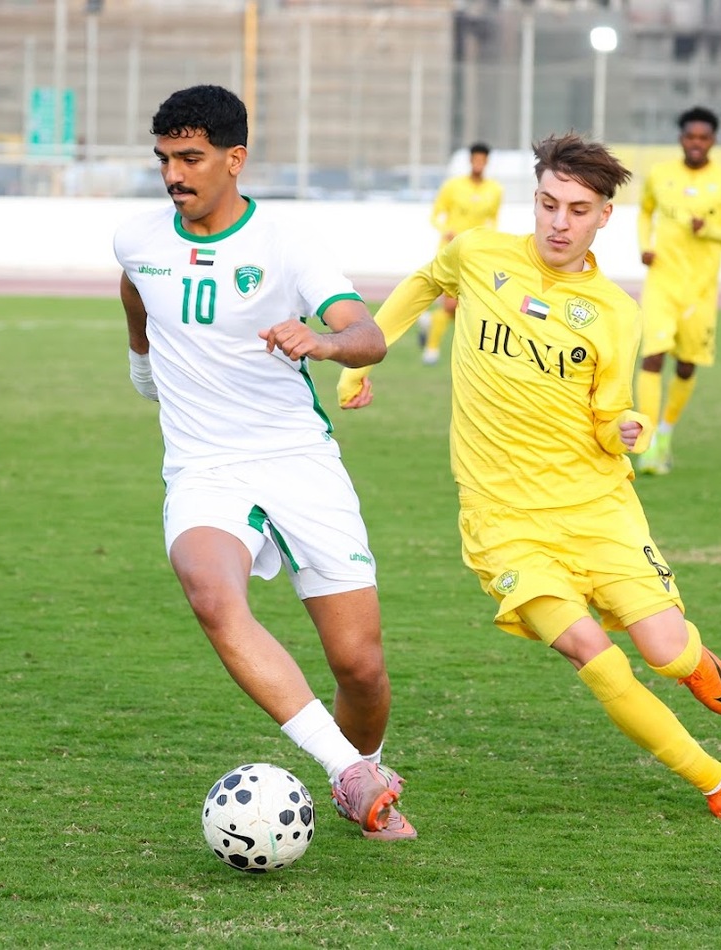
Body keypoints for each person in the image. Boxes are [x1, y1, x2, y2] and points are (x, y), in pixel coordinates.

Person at [337, 133, 721, 827]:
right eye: (547, 203)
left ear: (605, 215)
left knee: (664, 651)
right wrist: (361, 359)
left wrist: (625, 428)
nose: (558, 222)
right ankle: (717, 781)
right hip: (505, 522)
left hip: (597, 507)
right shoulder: (481, 253)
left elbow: (608, 418)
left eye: (577, 209)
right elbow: (425, 282)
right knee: (594, 654)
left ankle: (689, 657)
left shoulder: (615, 312)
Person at [112, 84, 415, 841]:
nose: (174, 175)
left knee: (360, 667)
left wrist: (326, 342)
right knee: (212, 595)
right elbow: (137, 293)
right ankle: (346, 774)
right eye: (163, 160)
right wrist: (141, 363)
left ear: (234, 158)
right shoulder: (138, 239)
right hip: (204, 470)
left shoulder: (287, 245)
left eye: (191, 158)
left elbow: (367, 333)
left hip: (298, 464)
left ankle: (365, 762)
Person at [634, 106, 721, 475]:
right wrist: (644, 245)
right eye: (690, 137)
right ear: (681, 138)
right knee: (652, 357)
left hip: (700, 291)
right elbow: (644, 212)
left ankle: (667, 431)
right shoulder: (659, 175)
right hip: (662, 283)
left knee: (686, 366)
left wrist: (711, 230)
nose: (696, 143)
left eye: (703, 137)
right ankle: (649, 442)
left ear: (712, 140)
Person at [419, 142, 503, 365]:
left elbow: (493, 219)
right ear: (470, 160)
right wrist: (447, 231)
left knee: (465, 306)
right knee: (451, 304)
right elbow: (435, 215)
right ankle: (432, 350)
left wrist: (490, 239)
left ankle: (430, 325)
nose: (478, 163)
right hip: (451, 253)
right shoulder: (453, 186)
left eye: (482, 160)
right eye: (475, 159)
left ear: (486, 162)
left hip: (476, 254)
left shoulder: (494, 190)